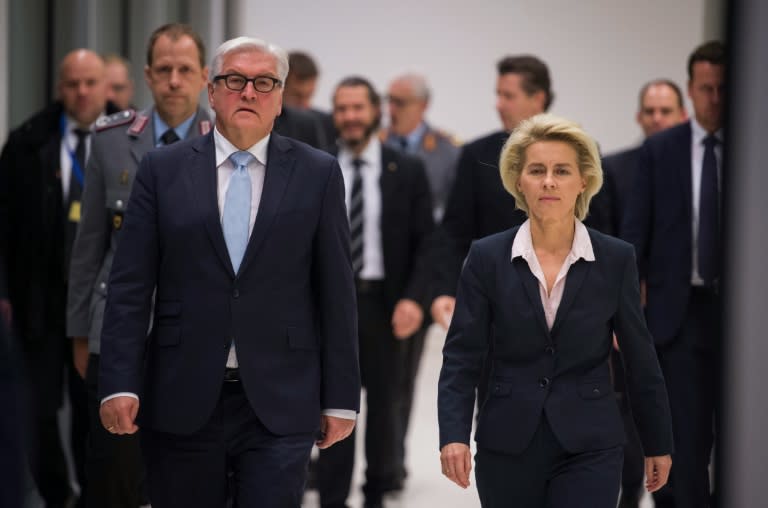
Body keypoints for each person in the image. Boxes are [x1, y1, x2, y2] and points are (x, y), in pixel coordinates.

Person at [97, 36, 360, 507]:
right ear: (212, 91)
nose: (249, 92)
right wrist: (118, 381)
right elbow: (130, 287)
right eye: (234, 80)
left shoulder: (318, 173)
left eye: (264, 82)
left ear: (280, 97)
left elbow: (336, 291)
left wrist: (340, 397)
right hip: (182, 395)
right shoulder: (163, 170)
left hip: (281, 398)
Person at [437, 113, 674, 508]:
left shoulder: (615, 258)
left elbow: (640, 358)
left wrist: (658, 443)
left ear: (583, 181)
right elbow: (461, 356)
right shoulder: (486, 257)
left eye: (562, 170)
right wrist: (453, 435)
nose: (549, 181)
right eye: (537, 170)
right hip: (506, 442)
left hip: (591, 444)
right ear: (518, 180)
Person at [67, 23, 212, 508]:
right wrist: (81, 335)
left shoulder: (226, 144)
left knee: (182, 470)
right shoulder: (111, 141)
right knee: (114, 471)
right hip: (117, 329)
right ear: (148, 76)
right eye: (164, 70)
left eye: (185, 70)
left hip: (195, 334)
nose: (174, 80)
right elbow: (89, 247)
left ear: (205, 76)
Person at [0, 48, 115, 507]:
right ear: (59, 87)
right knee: (39, 412)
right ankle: (56, 494)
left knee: (96, 408)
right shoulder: (28, 142)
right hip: (40, 304)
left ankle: (94, 497)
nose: (82, 92)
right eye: (73, 83)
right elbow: (4, 226)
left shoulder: (130, 138)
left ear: (107, 87)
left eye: (91, 82)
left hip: (101, 304)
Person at [316, 76, 434, 508]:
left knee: (385, 407)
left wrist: (413, 299)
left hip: (385, 305)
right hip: (330, 307)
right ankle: (331, 497)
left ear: (375, 112)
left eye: (357, 108)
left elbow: (428, 243)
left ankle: (376, 495)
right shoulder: (318, 166)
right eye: (342, 108)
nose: (349, 117)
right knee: (333, 403)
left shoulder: (408, 170)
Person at [622, 40, 725, 508]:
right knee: (682, 440)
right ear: (692, 89)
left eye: (724, 88)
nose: (716, 98)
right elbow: (634, 238)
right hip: (677, 313)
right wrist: (626, 316)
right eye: (706, 88)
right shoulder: (661, 150)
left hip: (742, 313)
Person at [602, 78, 687, 508]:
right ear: (638, 116)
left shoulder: (700, 167)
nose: (657, 118)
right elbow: (607, 243)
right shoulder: (614, 169)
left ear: (681, 115)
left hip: (686, 318)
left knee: (683, 419)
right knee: (628, 421)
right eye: (650, 111)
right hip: (627, 314)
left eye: (665, 111)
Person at [382, 72, 461, 222]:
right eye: (389, 101)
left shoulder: (447, 151)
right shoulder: (377, 144)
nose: (391, 110)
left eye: (399, 102)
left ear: (423, 105)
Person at [284, 50, 336, 144]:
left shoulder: (327, 124)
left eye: (309, 96)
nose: (305, 105)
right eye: (297, 96)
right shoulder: (263, 125)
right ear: (280, 88)